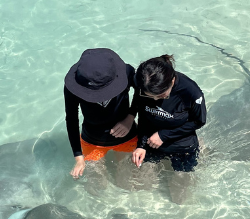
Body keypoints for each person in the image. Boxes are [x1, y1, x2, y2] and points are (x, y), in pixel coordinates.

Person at [131, 55, 207, 204]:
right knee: (142, 189)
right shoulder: (142, 84)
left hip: (181, 143)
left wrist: (164, 135)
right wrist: (141, 145)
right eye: (149, 96)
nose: (154, 100)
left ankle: (202, 146)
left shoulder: (191, 92)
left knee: (179, 198)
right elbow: (143, 114)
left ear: (172, 81)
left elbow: (199, 121)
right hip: (151, 140)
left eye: (160, 96)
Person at [64, 48, 138, 191]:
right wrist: (78, 157)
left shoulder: (127, 72)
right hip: (92, 138)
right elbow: (71, 118)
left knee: (127, 184)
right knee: (96, 188)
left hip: (126, 135)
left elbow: (142, 93)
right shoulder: (73, 84)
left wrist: (130, 117)